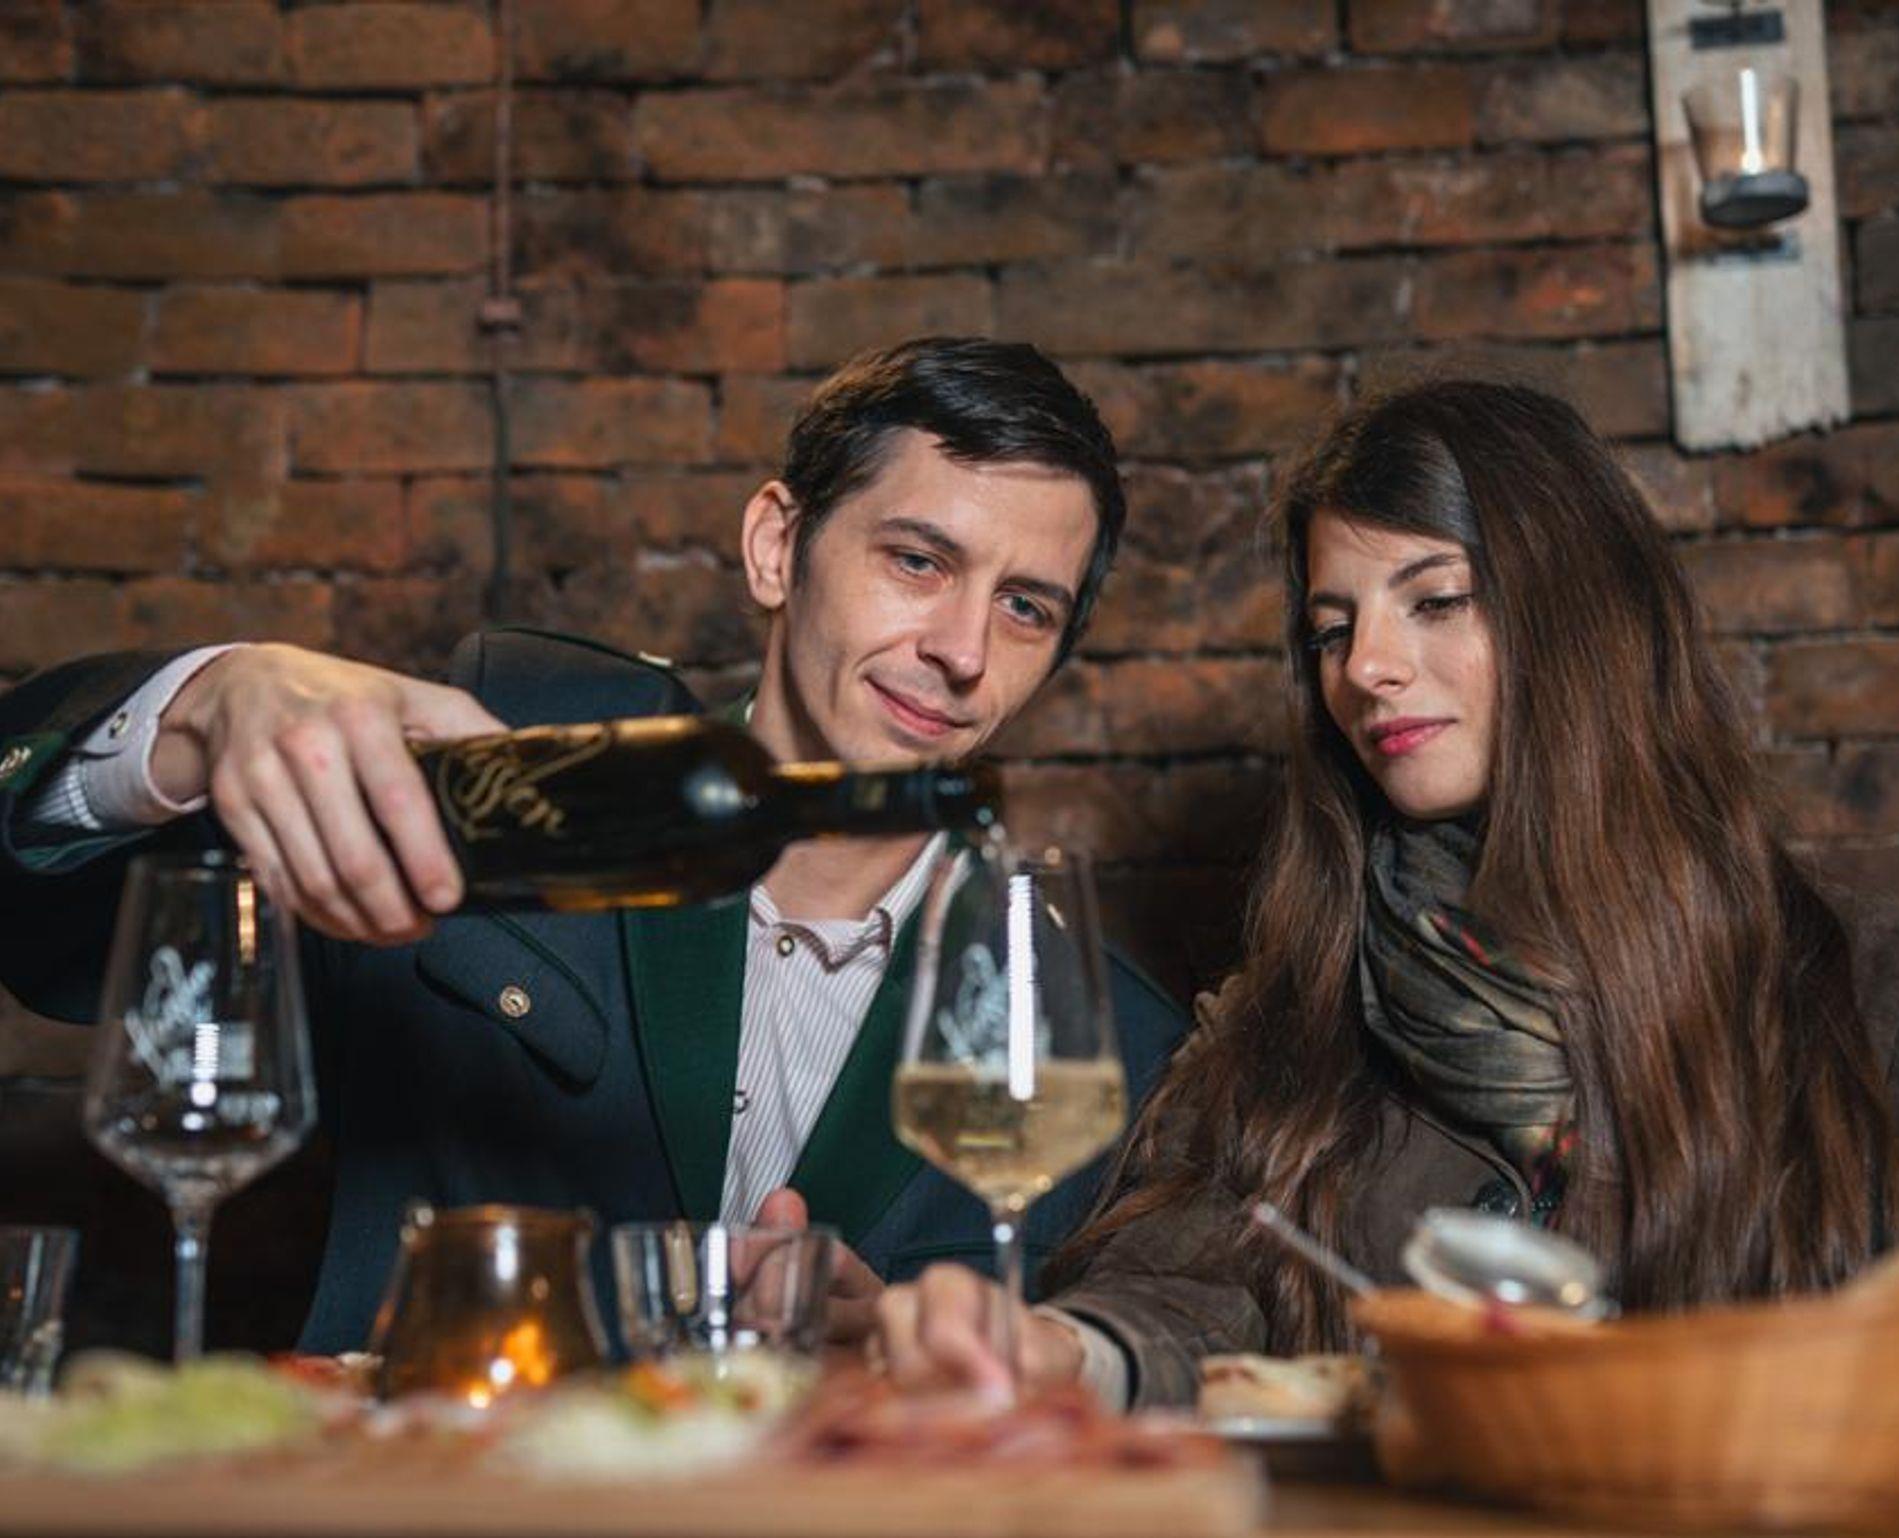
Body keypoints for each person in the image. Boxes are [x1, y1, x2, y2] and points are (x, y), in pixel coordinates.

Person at [871, 380, 1899, 1440]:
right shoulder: (1288, 1015)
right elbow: (1172, 1297)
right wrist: (1061, 1348)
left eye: (1434, 600)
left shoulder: (1887, 990)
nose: (1364, 667)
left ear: (1579, 616)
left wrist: (1873, 1415)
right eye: (1331, 629)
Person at [0, 336, 1186, 1352]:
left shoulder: (1107, 1040)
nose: (962, 650)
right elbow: (49, 929)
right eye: (917, 560)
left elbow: (1100, 1380)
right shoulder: (522, 776)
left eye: (1023, 606)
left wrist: (895, 1349)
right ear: (777, 546)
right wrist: (204, 708)